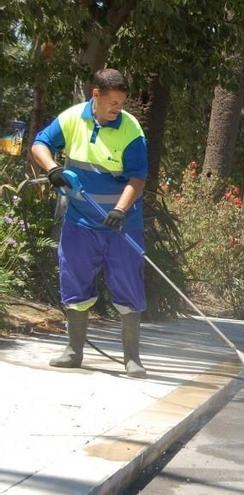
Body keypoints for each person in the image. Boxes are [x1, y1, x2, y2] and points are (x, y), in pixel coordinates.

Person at [30, 69, 149, 378]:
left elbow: (137, 178)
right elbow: (39, 143)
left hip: (121, 224)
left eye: (122, 102)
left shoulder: (131, 130)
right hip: (80, 221)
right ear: (95, 95)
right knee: (75, 279)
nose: (117, 108)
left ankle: (132, 358)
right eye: (112, 101)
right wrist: (54, 168)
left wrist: (120, 210)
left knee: (128, 283)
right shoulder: (72, 119)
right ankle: (74, 351)